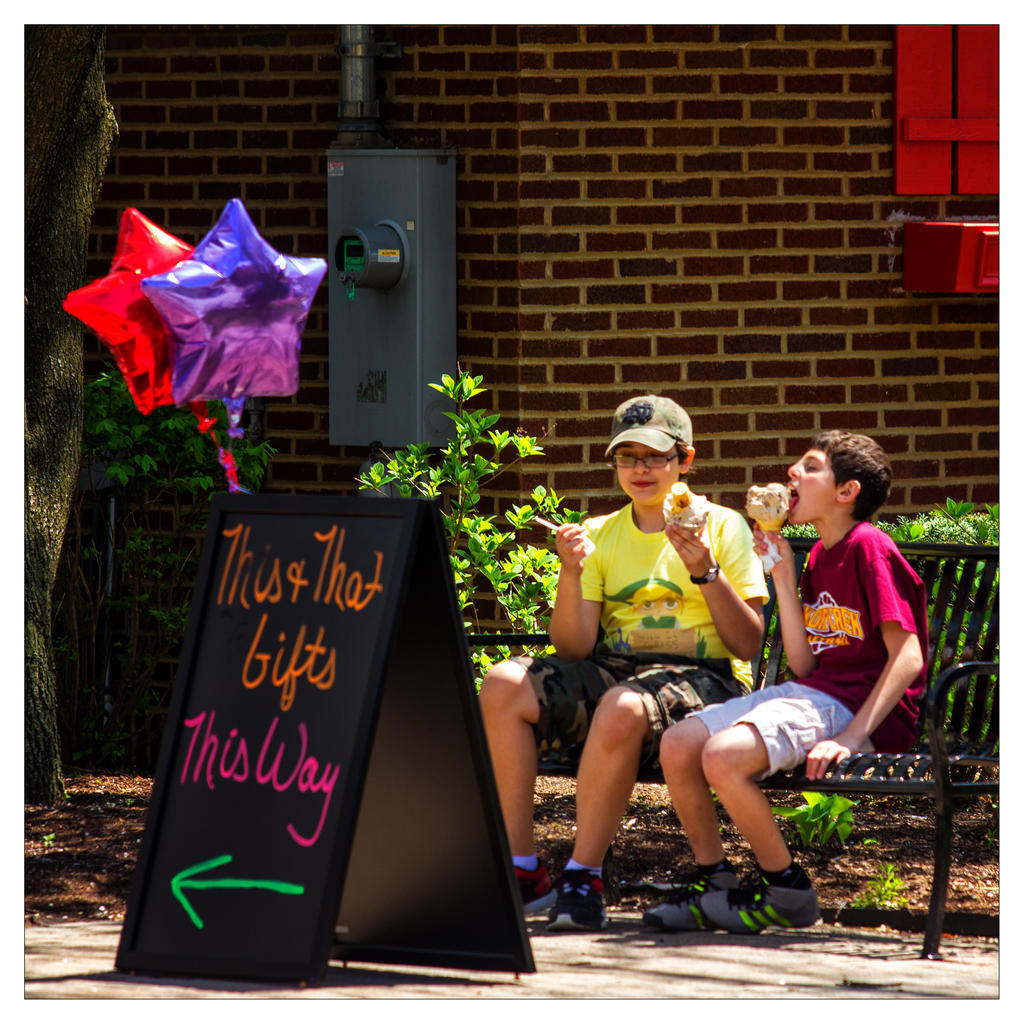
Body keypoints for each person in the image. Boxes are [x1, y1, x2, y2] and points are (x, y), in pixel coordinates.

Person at [479, 395, 768, 931]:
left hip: (707, 679)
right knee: (502, 684)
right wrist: (570, 572)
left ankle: (582, 875)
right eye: (626, 455)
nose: (640, 469)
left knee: (621, 705)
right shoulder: (601, 533)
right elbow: (574, 650)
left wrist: (706, 572)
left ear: (686, 459)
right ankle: (524, 873)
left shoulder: (722, 528)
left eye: (655, 456)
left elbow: (747, 645)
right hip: (616, 669)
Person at [643, 430, 928, 934]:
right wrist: (781, 573)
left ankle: (789, 891)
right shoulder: (820, 554)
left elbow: (907, 656)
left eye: (810, 467)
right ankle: (715, 882)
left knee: (723, 756)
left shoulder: (869, 548)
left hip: (863, 712)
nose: (792, 473)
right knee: (678, 742)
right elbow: (806, 665)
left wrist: (853, 737)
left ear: (846, 492)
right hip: (819, 693)